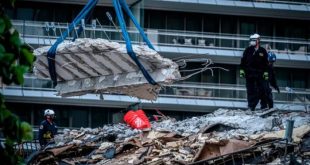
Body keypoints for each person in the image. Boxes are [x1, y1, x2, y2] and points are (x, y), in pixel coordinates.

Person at [240, 34, 269, 111]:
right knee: (250, 90)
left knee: (262, 90)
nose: (252, 42)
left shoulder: (262, 51)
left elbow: (266, 63)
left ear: (258, 40)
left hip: (260, 74)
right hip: (249, 74)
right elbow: (243, 61)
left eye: (254, 40)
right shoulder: (248, 50)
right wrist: (242, 70)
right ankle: (251, 107)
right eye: (251, 40)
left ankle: (264, 106)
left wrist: (266, 72)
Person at [260, 45, 280, 109]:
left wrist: (275, 86)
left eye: (272, 62)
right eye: (270, 62)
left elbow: (272, 78)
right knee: (264, 95)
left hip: (266, 85)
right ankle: (263, 107)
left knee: (269, 97)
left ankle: (270, 108)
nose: (271, 63)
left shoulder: (271, 68)